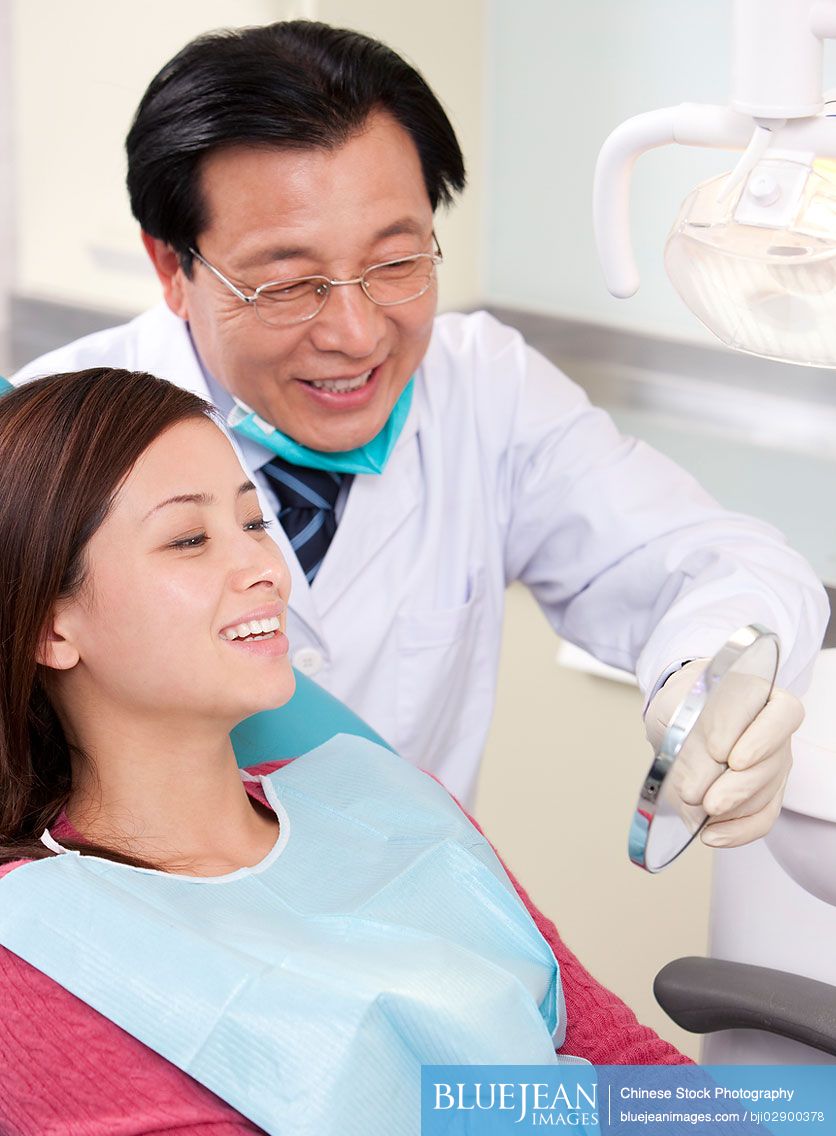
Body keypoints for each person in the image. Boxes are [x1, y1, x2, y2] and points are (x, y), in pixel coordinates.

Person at [0, 368, 835, 1136]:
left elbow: (618, 1083)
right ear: (52, 626)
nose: (263, 568)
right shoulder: (38, 947)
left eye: (254, 522)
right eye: (189, 539)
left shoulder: (380, 795)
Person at [12, 21, 827, 833]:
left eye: (396, 263)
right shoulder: (42, 443)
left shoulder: (485, 389)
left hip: (417, 900)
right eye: (289, 284)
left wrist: (710, 681)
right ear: (172, 266)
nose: (356, 334)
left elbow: (715, 561)